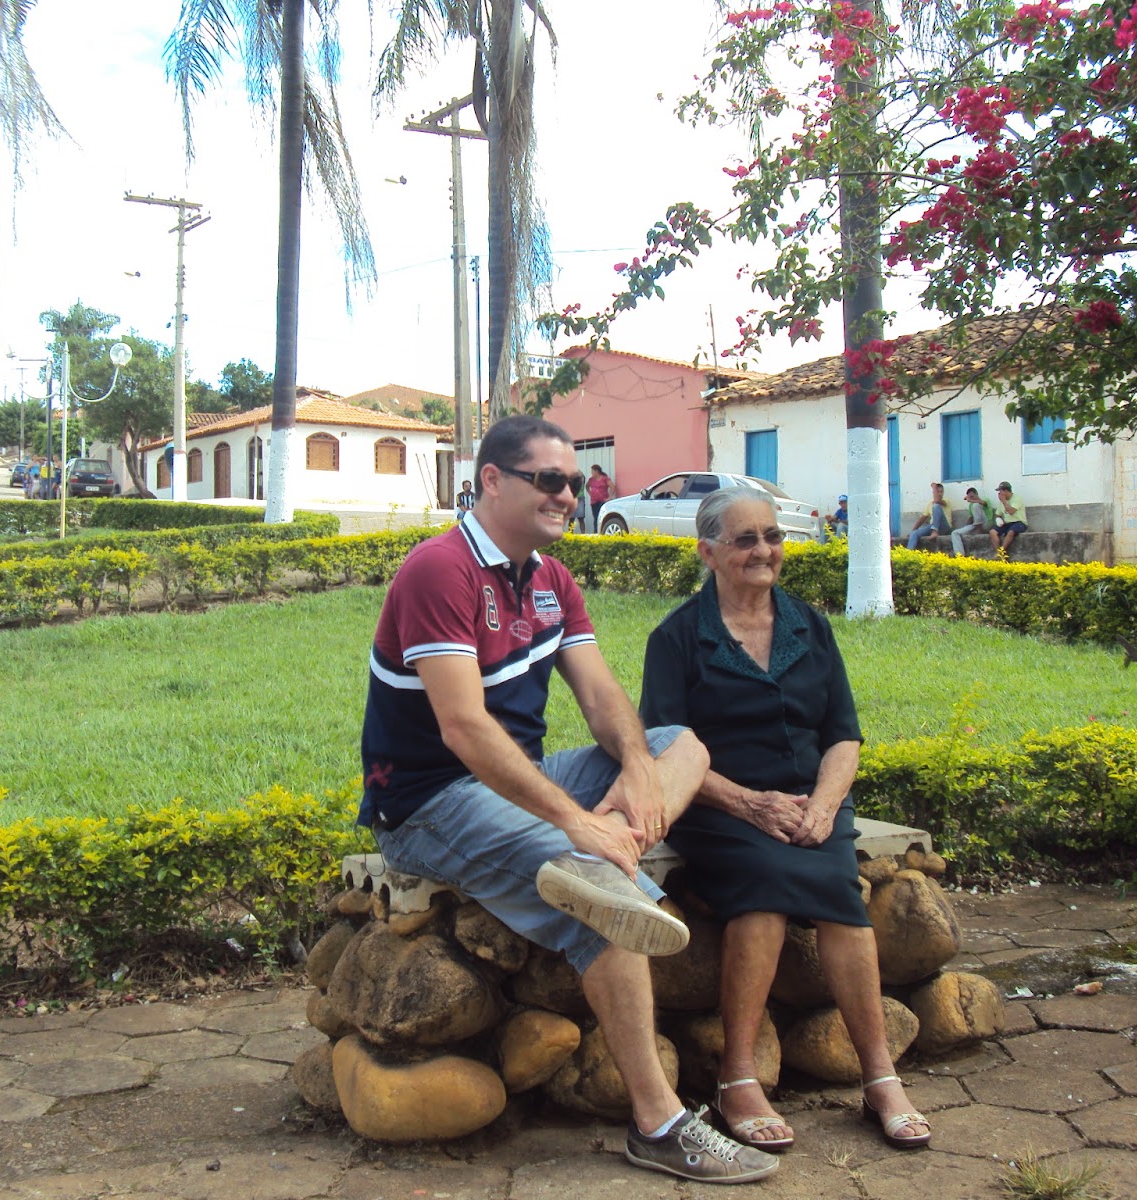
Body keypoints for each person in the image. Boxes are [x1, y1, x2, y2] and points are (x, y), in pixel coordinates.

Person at [360, 416, 778, 1185]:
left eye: (576, 482)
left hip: (515, 780)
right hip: (428, 804)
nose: (569, 494)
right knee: (613, 905)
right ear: (492, 481)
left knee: (679, 743)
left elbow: (602, 695)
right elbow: (462, 728)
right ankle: (659, 1124)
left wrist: (636, 770)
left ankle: (602, 856)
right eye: (548, 480)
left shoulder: (550, 579)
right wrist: (574, 820)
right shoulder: (439, 571)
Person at [639, 486, 932, 1154]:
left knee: (840, 898)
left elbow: (844, 736)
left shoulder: (810, 625)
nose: (765, 551)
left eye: (772, 536)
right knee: (764, 890)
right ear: (707, 552)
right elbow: (660, 744)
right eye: (745, 540)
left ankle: (880, 1077)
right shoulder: (679, 637)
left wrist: (825, 805)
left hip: (810, 802)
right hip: (717, 807)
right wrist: (751, 804)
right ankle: (738, 1078)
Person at [905, 482, 953, 550]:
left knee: (936, 506)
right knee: (914, 533)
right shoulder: (930, 504)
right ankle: (908, 554)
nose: (939, 493)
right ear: (933, 493)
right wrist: (912, 531)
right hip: (932, 527)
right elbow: (922, 519)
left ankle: (935, 531)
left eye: (941, 492)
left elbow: (937, 500)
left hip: (944, 527)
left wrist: (934, 486)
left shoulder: (946, 501)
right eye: (937, 492)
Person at [949, 486, 991, 557]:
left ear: (976, 494)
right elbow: (971, 519)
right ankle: (960, 555)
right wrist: (965, 528)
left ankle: (979, 529)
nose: (971, 499)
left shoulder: (985, 500)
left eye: (972, 496)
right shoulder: (971, 505)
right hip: (975, 525)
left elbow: (983, 503)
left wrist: (971, 501)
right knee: (955, 533)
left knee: (976, 505)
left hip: (986, 524)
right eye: (970, 497)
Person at [989, 481, 1028, 556]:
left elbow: (1011, 511)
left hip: (1019, 522)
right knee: (992, 532)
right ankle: (1000, 554)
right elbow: (997, 514)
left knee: (1011, 532)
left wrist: (1003, 501)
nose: (999, 494)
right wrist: (999, 520)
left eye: (1000, 491)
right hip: (1007, 523)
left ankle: (1001, 552)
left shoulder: (1017, 499)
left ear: (1006, 491)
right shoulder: (1002, 502)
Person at [586, 464, 613, 530]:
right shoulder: (591, 479)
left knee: (602, 516)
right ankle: (596, 531)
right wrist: (590, 493)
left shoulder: (605, 478)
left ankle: (602, 530)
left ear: (597, 471)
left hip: (602, 500)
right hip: (594, 501)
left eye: (592, 471)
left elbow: (612, 487)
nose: (591, 473)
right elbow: (587, 486)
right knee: (595, 517)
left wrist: (609, 497)